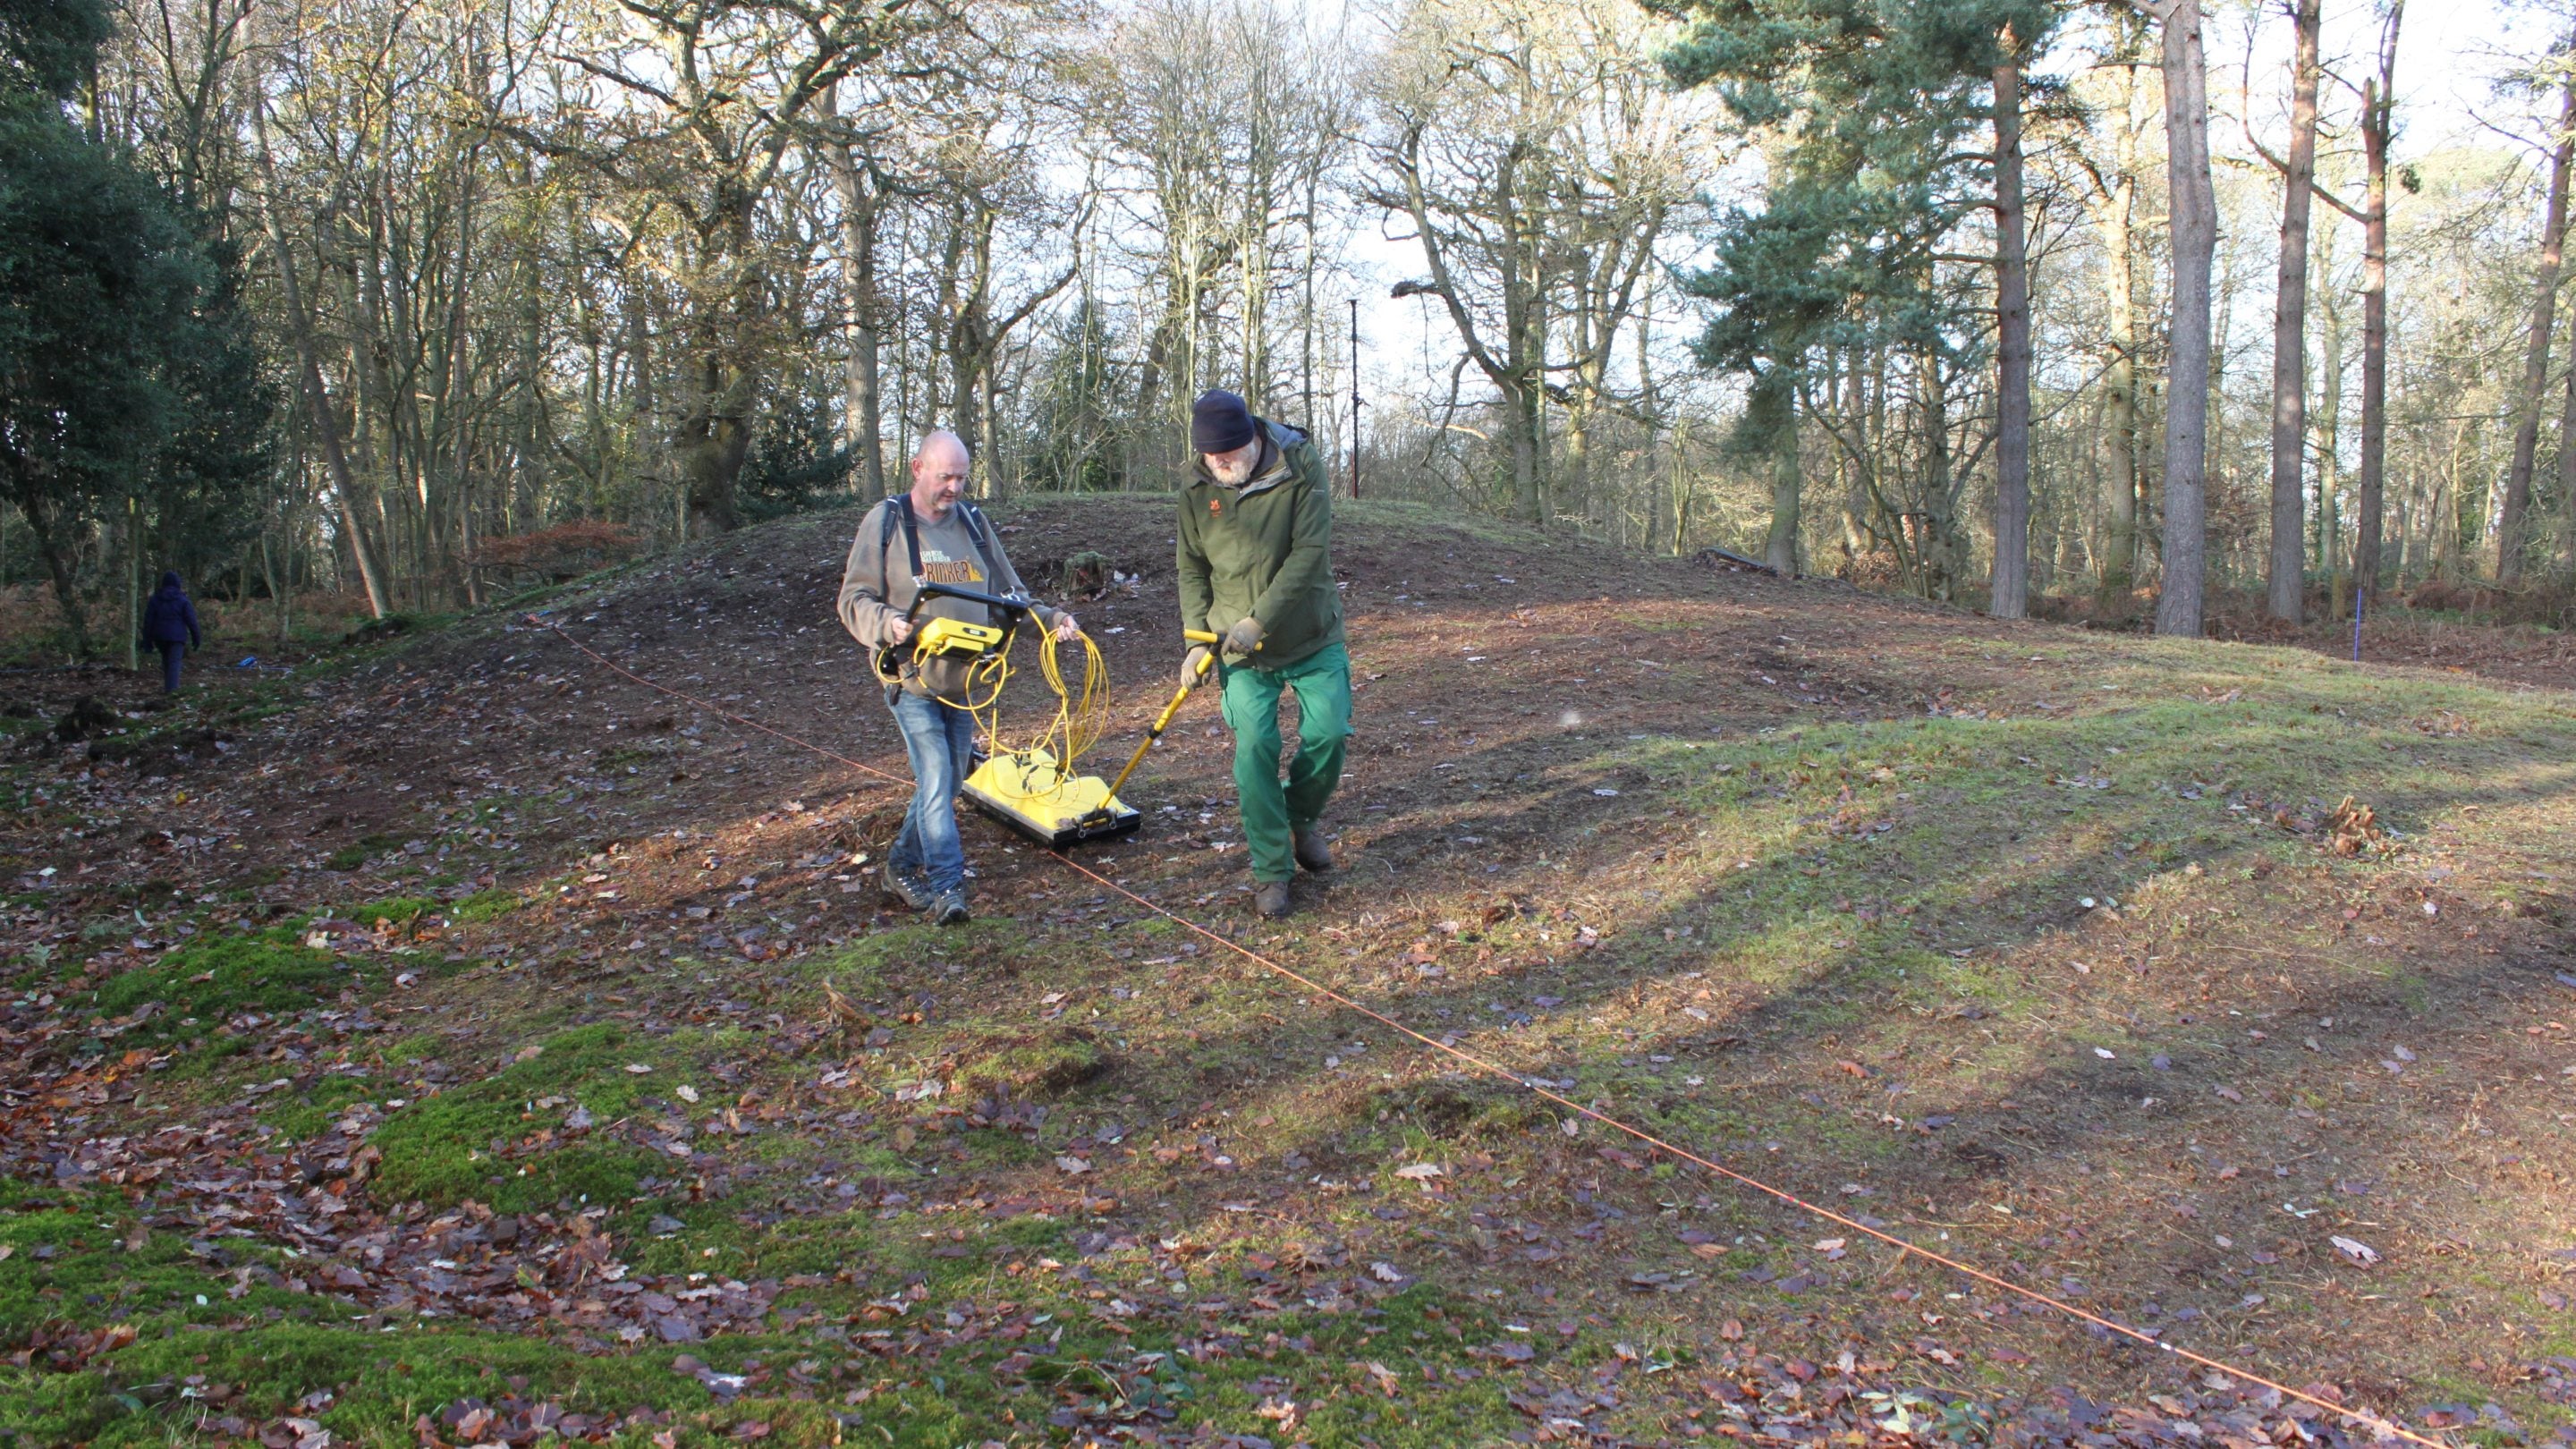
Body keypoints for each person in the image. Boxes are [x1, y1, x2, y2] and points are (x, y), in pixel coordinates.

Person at [837, 430, 1079, 926]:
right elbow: (854, 599)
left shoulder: (972, 522)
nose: (954, 486)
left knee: (945, 782)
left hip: (968, 682)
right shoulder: (886, 522)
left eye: (962, 477)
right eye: (945, 475)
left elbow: (1012, 595)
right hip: (911, 679)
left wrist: (1052, 620)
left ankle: (900, 867)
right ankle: (948, 888)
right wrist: (888, 624)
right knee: (934, 779)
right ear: (917, 468)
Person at [1176, 389, 1350, 919]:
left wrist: (1260, 621)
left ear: (1252, 439)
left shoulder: (1300, 465)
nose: (1218, 465)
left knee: (1329, 733)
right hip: (1235, 646)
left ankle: (1300, 819)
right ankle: (1272, 871)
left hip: (1310, 632)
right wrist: (1193, 640)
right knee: (1254, 750)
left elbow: (1309, 553)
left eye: (1226, 455)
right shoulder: (1196, 483)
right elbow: (1191, 566)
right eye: (1210, 457)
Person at [141, 571, 201, 695]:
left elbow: (148, 621)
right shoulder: (183, 600)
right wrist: (196, 638)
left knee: (166, 661)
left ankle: (169, 689)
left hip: (160, 637)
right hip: (177, 637)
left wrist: (147, 641)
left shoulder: (155, 599)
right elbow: (192, 621)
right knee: (174, 662)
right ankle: (172, 692)